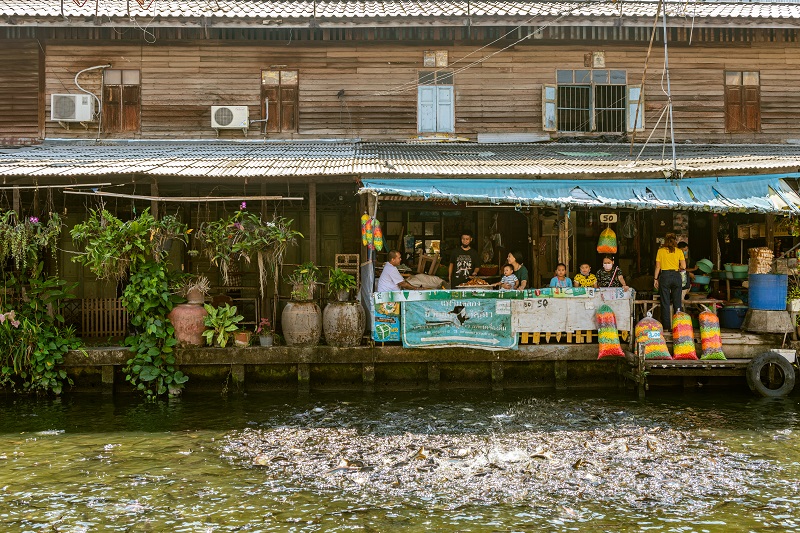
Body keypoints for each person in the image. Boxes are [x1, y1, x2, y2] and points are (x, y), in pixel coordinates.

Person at [654, 233, 687, 329]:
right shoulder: (679, 251)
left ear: (665, 241)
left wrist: (655, 279)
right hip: (676, 276)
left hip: (665, 276)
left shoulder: (660, 251)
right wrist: (678, 267)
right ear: (675, 241)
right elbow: (684, 267)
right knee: (677, 302)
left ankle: (667, 327)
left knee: (665, 302)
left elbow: (658, 267)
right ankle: (678, 327)